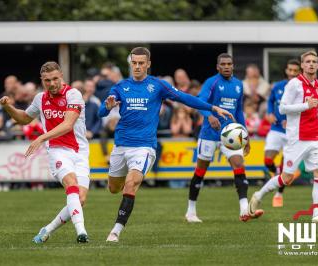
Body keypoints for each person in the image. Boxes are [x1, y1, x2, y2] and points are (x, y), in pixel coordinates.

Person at [98, 47, 233, 242]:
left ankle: (116, 231)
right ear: (130, 64)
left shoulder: (158, 86)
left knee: (131, 184)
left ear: (148, 64)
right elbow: (102, 112)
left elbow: (185, 98)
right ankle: (118, 216)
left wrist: (212, 107)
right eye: (134, 63)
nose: (137, 66)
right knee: (113, 188)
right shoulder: (120, 86)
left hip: (144, 146)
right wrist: (107, 107)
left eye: (141, 63)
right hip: (121, 146)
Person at [0, 61, 90, 243]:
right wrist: (8, 107)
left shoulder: (73, 94)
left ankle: (47, 229)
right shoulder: (40, 98)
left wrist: (41, 137)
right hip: (57, 150)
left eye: (55, 78)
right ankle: (82, 232)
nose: (52, 83)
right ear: (42, 80)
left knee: (80, 199)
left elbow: (68, 124)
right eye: (47, 80)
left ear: (61, 77)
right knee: (71, 183)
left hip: (80, 151)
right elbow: (24, 118)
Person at [249, 51, 318, 224]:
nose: (311, 64)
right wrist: (305, 105)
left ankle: (317, 215)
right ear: (302, 65)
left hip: (316, 137)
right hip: (297, 139)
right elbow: (282, 109)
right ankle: (258, 195)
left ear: (317, 65)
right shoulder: (294, 84)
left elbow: (314, 107)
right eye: (307, 61)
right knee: (286, 178)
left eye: (314, 61)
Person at [184, 53, 263, 223]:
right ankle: (191, 211)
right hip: (209, 134)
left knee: (239, 164)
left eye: (229, 64)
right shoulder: (211, 82)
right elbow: (200, 101)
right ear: (218, 67)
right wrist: (209, 116)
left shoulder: (238, 85)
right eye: (223, 64)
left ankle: (244, 210)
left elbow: (239, 111)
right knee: (201, 170)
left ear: (233, 66)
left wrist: (246, 135)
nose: (226, 66)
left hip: (230, 134)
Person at [264, 59, 300, 207]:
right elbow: (270, 101)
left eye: (295, 71)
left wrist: (291, 121)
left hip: (292, 132)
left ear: (299, 72)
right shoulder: (278, 86)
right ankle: (277, 174)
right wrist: (269, 112)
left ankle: (279, 195)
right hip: (277, 129)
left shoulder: (302, 89)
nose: (292, 73)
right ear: (286, 70)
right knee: (268, 160)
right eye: (290, 70)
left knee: (286, 166)